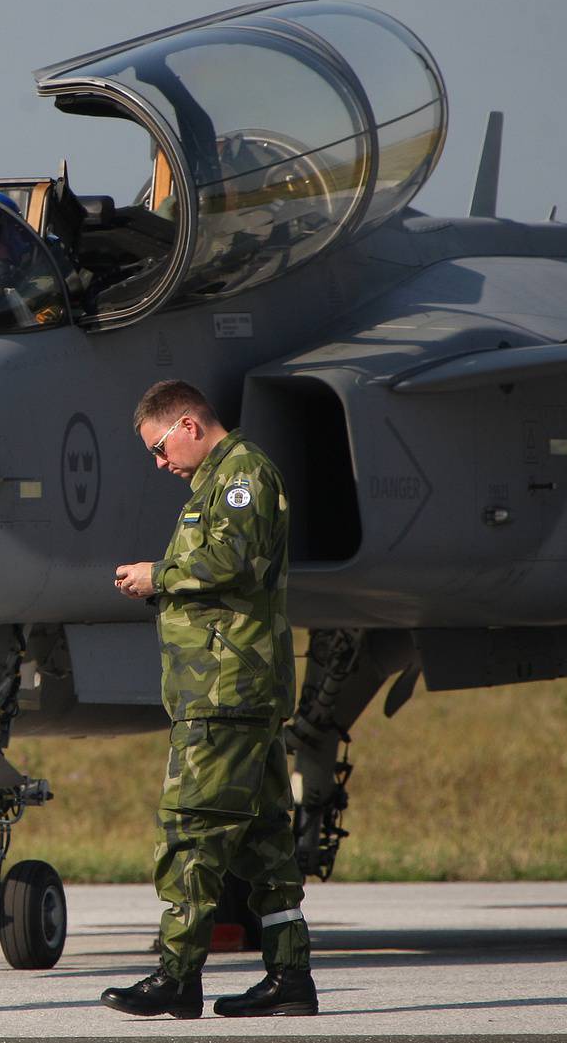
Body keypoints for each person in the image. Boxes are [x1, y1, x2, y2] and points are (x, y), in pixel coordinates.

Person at [102, 379, 317, 1019]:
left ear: (190, 425)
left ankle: (177, 975)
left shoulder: (243, 475)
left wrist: (155, 576)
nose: (160, 463)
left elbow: (235, 560)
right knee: (263, 839)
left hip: (225, 691)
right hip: (232, 687)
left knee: (191, 827)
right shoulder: (218, 483)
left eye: (160, 448)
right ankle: (289, 976)